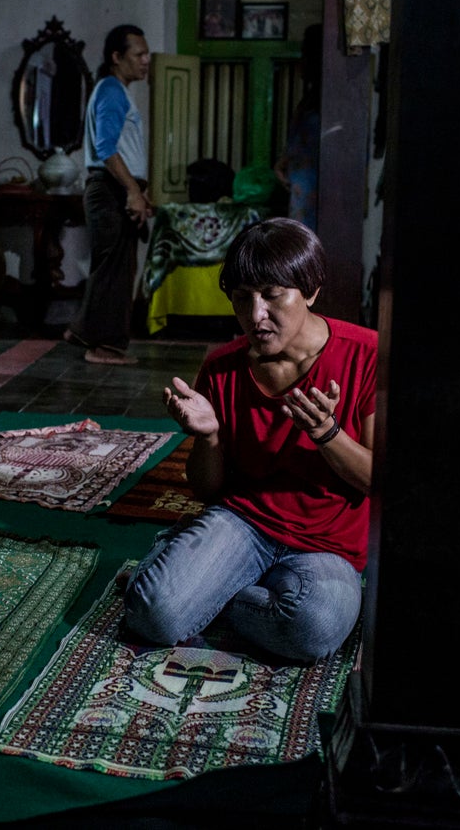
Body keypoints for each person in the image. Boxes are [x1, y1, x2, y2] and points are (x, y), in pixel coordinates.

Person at [123, 218, 376, 662]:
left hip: (327, 545)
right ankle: (192, 577)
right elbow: (207, 490)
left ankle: (200, 581)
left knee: (313, 629)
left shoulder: (367, 355)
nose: (255, 316)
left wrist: (328, 434)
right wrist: (209, 436)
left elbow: (378, 480)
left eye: (272, 296)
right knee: (154, 616)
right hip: (243, 523)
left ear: (311, 290)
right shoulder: (222, 366)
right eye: (243, 299)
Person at [64, 24, 153, 366]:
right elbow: (105, 147)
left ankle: (84, 331)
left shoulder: (115, 90)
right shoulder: (112, 90)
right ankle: (104, 346)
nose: (145, 60)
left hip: (116, 187)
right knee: (115, 269)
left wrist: (139, 193)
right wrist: (132, 190)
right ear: (117, 57)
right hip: (110, 188)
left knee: (113, 265)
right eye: (138, 54)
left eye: (146, 54)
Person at [273, 25, 321, 231]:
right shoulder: (308, 102)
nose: (301, 63)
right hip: (299, 191)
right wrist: (284, 164)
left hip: (317, 195)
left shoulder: (330, 104)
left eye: (305, 55)